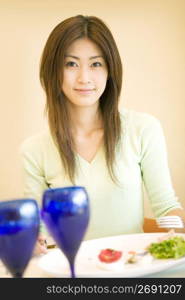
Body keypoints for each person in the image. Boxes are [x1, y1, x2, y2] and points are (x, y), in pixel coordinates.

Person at [20, 15, 185, 254]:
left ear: (110, 70)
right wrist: (32, 239)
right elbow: (40, 229)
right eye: (71, 64)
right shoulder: (34, 150)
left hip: (132, 269)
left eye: (96, 64)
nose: (84, 78)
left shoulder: (143, 129)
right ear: (53, 72)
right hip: (73, 276)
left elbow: (166, 207)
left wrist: (177, 236)